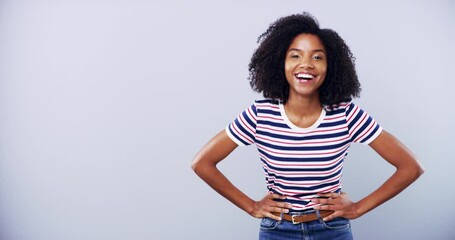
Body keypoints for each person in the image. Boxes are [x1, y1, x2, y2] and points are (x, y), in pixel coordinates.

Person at [191, 12, 424, 240]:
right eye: (295, 56)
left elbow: (411, 167)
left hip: (331, 229)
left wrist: (357, 209)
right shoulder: (260, 114)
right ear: (279, 63)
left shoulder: (345, 113)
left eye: (317, 57)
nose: (306, 64)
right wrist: (251, 206)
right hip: (278, 230)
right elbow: (202, 163)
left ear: (330, 66)